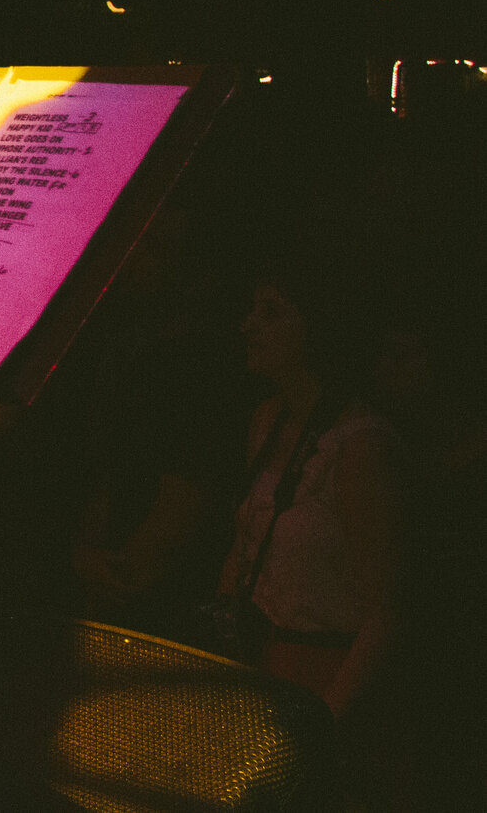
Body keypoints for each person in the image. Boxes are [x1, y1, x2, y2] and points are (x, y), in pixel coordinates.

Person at [215, 262, 398, 720]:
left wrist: (328, 716)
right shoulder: (268, 419)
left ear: (317, 326)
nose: (248, 324)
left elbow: (388, 610)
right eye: (253, 309)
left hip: (323, 679)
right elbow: (248, 544)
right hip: (259, 665)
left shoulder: (360, 448)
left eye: (272, 311)